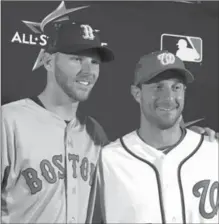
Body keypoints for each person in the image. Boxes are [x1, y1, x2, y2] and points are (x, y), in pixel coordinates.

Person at [1, 20, 114, 223]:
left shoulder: (95, 133)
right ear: (48, 61)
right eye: (77, 59)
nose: (88, 71)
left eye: (94, 62)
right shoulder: (9, 120)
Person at [86, 51, 218, 223]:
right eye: (158, 87)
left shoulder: (212, 151)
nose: (169, 97)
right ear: (136, 93)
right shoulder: (109, 160)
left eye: (176, 87)